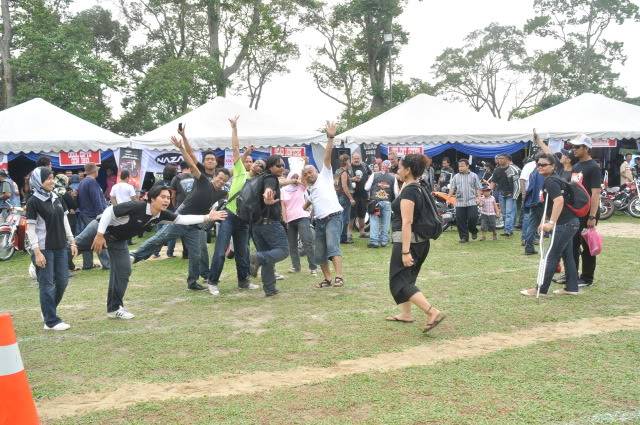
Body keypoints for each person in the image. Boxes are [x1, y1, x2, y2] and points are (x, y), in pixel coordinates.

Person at [76, 185, 227, 319]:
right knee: (69, 250)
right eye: (162, 197)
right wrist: (100, 234)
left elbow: (182, 219)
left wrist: (207, 217)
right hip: (100, 229)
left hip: (118, 241)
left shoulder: (161, 214)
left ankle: (114, 309)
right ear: (152, 199)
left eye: (168, 197)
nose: (166, 200)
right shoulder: (138, 206)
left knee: (124, 270)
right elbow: (109, 211)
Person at [132, 127, 230, 291]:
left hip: (196, 224)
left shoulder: (222, 192)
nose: (220, 182)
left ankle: (192, 282)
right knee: (159, 239)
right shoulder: (203, 180)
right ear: (215, 176)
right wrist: (182, 142)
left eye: (223, 180)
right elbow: (191, 160)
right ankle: (134, 256)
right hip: (180, 218)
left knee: (197, 254)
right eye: (219, 178)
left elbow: (239, 176)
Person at [385, 154, 445, 332]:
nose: (397, 169)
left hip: (409, 243)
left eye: (400, 166)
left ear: (408, 170)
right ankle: (406, 314)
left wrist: (404, 252)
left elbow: (407, 222)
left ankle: (432, 312)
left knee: (399, 282)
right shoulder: (417, 186)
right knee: (407, 278)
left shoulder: (410, 191)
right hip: (420, 243)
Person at [206, 116, 259, 296]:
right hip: (229, 216)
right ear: (245, 164)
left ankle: (243, 281)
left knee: (243, 252)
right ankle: (212, 281)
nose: (252, 163)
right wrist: (234, 128)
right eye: (250, 161)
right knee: (221, 251)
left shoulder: (261, 182)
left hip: (244, 221)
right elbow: (236, 149)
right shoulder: (239, 173)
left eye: (256, 162)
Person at [520, 153, 580, 297]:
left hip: (564, 224)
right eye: (538, 164)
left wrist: (551, 223)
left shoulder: (550, 181)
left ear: (553, 166)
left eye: (544, 165)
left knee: (550, 256)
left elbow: (559, 201)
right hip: (571, 222)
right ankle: (572, 288)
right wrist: (546, 220)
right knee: (568, 255)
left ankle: (541, 289)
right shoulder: (555, 178)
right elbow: (552, 203)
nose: (540, 167)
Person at [26, 167, 77, 330]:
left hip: (61, 246)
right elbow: (30, 229)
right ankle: (51, 321)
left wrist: (72, 241)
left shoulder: (56, 196)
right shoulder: (33, 201)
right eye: (47, 178)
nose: (51, 181)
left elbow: (64, 220)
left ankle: (48, 310)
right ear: (38, 181)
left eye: (52, 177)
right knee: (47, 284)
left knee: (62, 281)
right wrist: (37, 252)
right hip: (44, 248)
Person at [301, 122, 345, 288]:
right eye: (306, 174)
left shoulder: (325, 175)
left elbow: (327, 155)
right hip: (319, 221)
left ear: (316, 171)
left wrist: (330, 137)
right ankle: (327, 279)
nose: (308, 175)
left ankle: (339, 277)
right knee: (319, 253)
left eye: (310, 171)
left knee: (332, 246)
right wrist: (306, 207)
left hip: (333, 217)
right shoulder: (312, 190)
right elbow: (307, 204)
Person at [248, 155, 289, 297]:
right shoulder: (270, 179)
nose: (282, 167)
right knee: (283, 250)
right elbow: (268, 191)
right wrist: (268, 199)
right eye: (278, 165)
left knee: (268, 258)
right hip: (269, 224)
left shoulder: (260, 178)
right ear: (270, 167)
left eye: (283, 165)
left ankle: (270, 289)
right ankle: (257, 258)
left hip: (256, 226)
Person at [569, 135, 601, 287]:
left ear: (586, 148)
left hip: (588, 213)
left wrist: (592, 216)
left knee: (587, 245)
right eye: (573, 147)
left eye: (577, 147)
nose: (573, 149)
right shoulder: (575, 167)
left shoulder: (593, 167)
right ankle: (572, 274)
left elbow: (595, 193)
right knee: (573, 244)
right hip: (577, 211)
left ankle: (587, 278)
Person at [281, 170, 317, 276]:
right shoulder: (283, 190)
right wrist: (284, 219)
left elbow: (305, 181)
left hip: (302, 217)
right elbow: (283, 206)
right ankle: (296, 266)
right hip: (290, 220)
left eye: (297, 177)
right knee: (292, 244)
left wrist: (300, 176)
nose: (296, 179)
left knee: (307, 242)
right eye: (293, 177)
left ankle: (313, 267)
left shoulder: (301, 187)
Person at [76, 163, 109, 270]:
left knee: (87, 240)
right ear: (95, 171)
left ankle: (88, 264)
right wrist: (101, 215)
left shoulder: (82, 182)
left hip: (85, 214)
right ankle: (107, 263)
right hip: (93, 215)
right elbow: (97, 200)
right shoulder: (92, 182)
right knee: (100, 238)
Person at [364, 160, 399, 248]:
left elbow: (366, 188)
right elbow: (396, 193)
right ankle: (384, 241)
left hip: (376, 203)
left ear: (381, 166)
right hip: (387, 203)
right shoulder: (393, 177)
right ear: (389, 167)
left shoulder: (374, 175)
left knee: (375, 220)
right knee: (386, 222)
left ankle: (374, 241)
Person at [449, 159, 482, 243]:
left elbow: (478, 187)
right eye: (459, 166)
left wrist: (479, 197)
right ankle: (464, 237)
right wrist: (449, 198)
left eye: (462, 166)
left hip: (472, 201)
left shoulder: (474, 176)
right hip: (460, 202)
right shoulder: (456, 176)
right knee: (460, 221)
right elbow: (452, 188)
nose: (460, 168)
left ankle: (473, 230)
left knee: (472, 218)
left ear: (467, 166)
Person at [490, 154, 520, 237]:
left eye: (502, 158)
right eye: (498, 158)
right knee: (504, 213)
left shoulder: (513, 169)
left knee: (509, 213)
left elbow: (518, 183)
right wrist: (488, 191)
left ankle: (508, 230)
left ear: (507, 160)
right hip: (501, 193)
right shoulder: (497, 170)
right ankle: (508, 229)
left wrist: (516, 194)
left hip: (511, 194)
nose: (499, 160)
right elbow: (493, 182)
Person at [151, 165, 177, 257]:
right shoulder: (175, 183)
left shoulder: (158, 183)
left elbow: (151, 194)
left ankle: (156, 252)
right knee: (172, 233)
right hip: (171, 211)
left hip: (160, 211)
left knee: (159, 233)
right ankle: (170, 253)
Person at [334, 153, 355, 244]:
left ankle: (340, 238)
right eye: (349, 160)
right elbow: (344, 186)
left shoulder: (338, 171)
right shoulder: (344, 172)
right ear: (346, 161)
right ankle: (342, 238)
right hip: (344, 197)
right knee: (345, 219)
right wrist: (351, 198)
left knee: (340, 218)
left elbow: (335, 184)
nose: (350, 163)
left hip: (338, 196)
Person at [349, 152, 370, 239]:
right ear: (352, 158)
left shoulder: (365, 166)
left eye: (358, 158)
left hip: (363, 194)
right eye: (355, 158)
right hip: (353, 194)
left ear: (360, 158)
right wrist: (352, 179)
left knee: (362, 213)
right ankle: (349, 233)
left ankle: (362, 232)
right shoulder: (349, 167)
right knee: (351, 214)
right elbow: (342, 178)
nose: (356, 160)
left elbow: (370, 175)